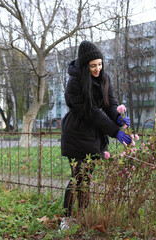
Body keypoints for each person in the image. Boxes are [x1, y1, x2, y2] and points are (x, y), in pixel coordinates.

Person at [60, 40, 132, 230]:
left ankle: (83, 217)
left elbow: (110, 104)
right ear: (85, 66)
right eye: (93, 65)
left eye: (99, 64)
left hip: (94, 135)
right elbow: (91, 112)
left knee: (87, 178)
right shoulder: (74, 82)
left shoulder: (104, 77)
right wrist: (115, 132)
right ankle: (66, 220)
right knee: (77, 177)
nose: (97, 68)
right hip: (76, 133)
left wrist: (118, 117)